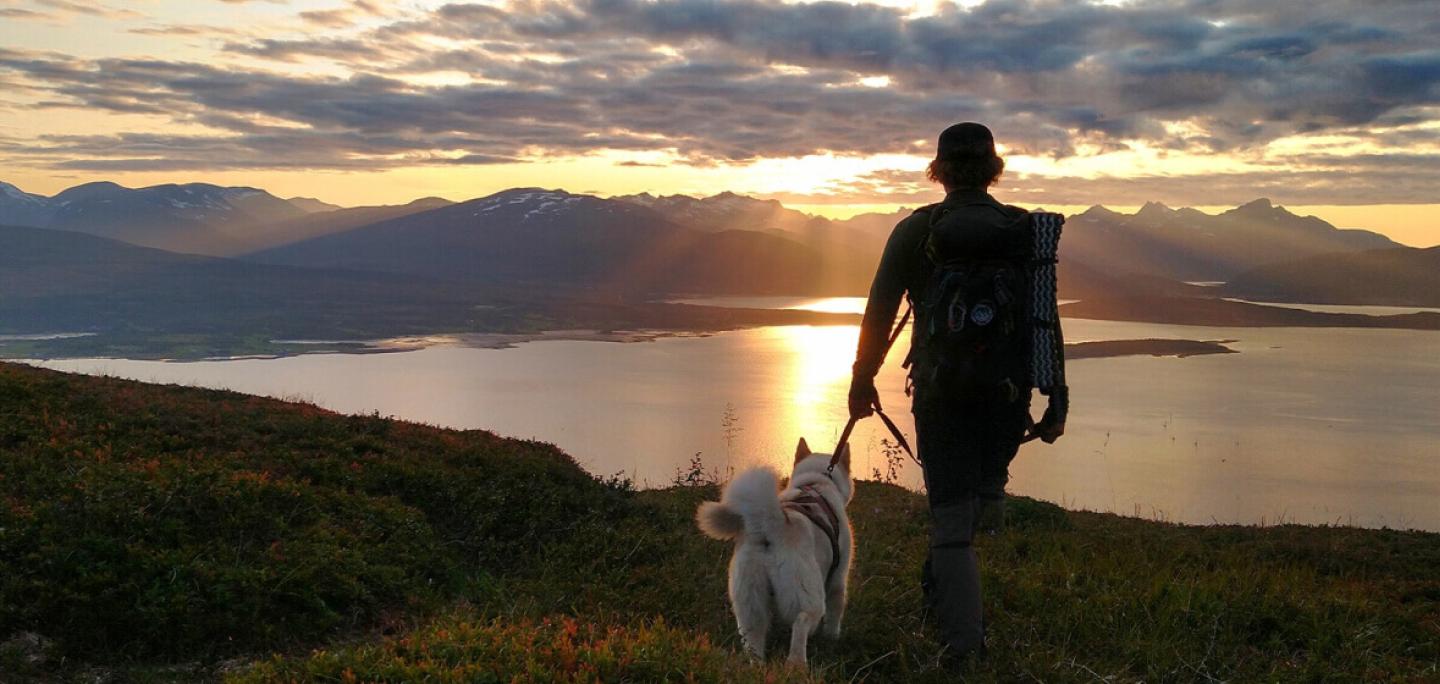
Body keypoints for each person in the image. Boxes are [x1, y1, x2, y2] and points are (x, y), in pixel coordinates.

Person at [846, 122, 1068, 660]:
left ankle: (964, 648)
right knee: (974, 501)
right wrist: (1056, 393)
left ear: (939, 171)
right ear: (993, 170)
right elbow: (1043, 317)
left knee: (948, 517)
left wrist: (862, 377)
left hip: (941, 394)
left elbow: (880, 310)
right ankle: (941, 593)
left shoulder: (917, 231)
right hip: (1006, 395)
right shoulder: (1021, 230)